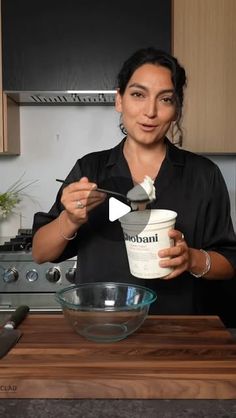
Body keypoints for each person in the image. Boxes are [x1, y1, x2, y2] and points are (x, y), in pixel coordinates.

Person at [32, 47, 236, 315]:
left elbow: (230, 263)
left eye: (165, 99)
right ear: (119, 100)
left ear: (176, 110)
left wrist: (192, 259)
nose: (150, 111)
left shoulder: (203, 174)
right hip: (103, 327)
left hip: (178, 331)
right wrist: (69, 219)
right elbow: (40, 252)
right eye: (138, 95)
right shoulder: (90, 168)